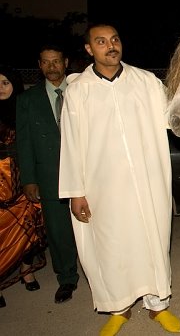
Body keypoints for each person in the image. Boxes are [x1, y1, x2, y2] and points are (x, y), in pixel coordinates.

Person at [58, 23, 180, 335]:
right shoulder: (78, 91)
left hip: (147, 181)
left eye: (115, 39)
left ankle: (158, 306)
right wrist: (76, 192)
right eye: (101, 42)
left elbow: (174, 116)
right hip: (103, 188)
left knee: (152, 239)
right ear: (89, 49)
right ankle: (118, 308)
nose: (111, 46)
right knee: (110, 246)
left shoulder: (145, 82)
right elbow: (71, 144)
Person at [16, 45, 80, 304]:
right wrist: (29, 178)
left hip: (85, 173)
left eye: (56, 61)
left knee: (94, 227)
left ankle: (102, 274)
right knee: (58, 231)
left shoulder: (81, 91)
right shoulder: (27, 100)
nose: (52, 66)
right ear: (39, 66)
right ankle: (66, 278)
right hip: (50, 174)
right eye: (46, 62)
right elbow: (25, 142)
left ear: (65, 63)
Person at [0, 65, 47, 307]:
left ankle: (26, 271)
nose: (1, 88)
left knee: (31, 227)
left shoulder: (23, 107)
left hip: (22, 178)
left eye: (5, 82)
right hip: (0, 182)